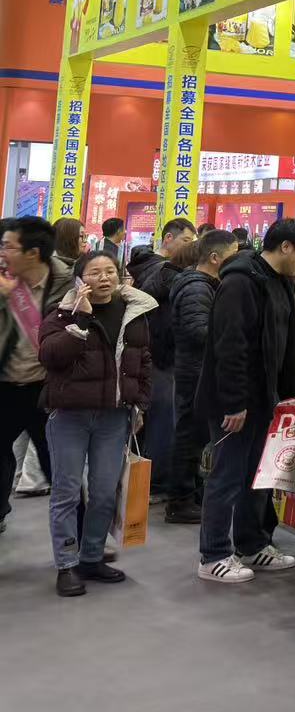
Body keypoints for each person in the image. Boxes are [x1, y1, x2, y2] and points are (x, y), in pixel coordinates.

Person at [196, 217, 295, 584]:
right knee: (227, 477)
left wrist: (291, 394)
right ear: (286, 247)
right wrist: (234, 402)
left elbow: (286, 339)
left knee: (256, 477)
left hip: (264, 400)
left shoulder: (278, 282)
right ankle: (213, 555)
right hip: (233, 402)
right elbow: (230, 346)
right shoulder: (240, 282)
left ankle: (252, 544)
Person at [38, 249, 155, 597]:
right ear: (80, 280)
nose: (104, 278)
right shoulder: (61, 313)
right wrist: (81, 321)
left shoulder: (134, 312)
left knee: (104, 492)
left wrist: (140, 404)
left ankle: (91, 557)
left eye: (110, 271)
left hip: (114, 417)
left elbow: (143, 361)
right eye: (94, 272)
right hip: (69, 415)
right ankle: (66, 565)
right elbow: (50, 356)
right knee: (67, 492)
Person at [0, 216, 75, 535]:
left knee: (59, 466)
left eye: (8, 246)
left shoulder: (68, 285)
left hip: (47, 391)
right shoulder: (4, 281)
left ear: (32, 253)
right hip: (5, 387)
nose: (3, 252)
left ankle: (81, 536)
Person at [165, 229, 236, 524]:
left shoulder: (204, 284)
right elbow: (199, 332)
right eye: (233, 255)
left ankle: (190, 495)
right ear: (215, 258)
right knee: (189, 437)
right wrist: (232, 332)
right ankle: (180, 501)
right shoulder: (197, 287)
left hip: (194, 370)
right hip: (194, 372)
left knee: (194, 436)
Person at [130, 216, 196, 497]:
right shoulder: (164, 272)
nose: (191, 247)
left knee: (151, 419)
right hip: (160, 357)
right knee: (161, 420)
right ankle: (156, 481)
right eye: (186, 240)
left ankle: (147, 478)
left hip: (151, 355)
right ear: (168, 238)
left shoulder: (145, 267)